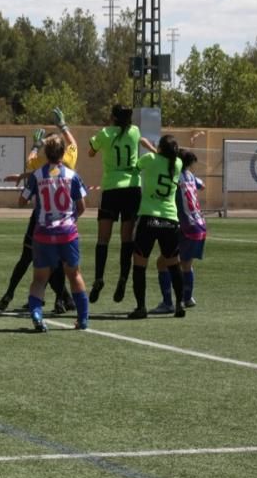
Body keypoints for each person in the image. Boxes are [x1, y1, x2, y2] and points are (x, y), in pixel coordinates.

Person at [0, 108, 76, 315]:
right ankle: (64, 299)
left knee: (31, 259)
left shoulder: (39, 164)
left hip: (41, 219)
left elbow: (32, 165)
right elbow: (74, 145)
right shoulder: (69, 162)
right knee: (60, 264)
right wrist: (63, 125)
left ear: (46, 149)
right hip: (65, 219)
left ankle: (14, 294)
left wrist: (34, 145)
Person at [18, 133, 89, 332]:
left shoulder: (37, 175)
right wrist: (70, 220)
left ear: (45, 152)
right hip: (67, 233)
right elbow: (82, 206)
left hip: (43, 233)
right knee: (74, 275)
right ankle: (83, 319)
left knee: (40, 279)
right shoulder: (72, 175)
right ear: (62, 152)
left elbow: (21, 201)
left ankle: (37, 316)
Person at [86, 104, 158, 305]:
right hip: (132, 188)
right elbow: (140, 139)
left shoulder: (105, 133)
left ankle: (99, 278)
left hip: (111, 188)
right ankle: (123, 278)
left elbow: (90, 152)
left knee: (103, 238)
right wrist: (153, 148)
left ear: (113, 117)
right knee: (127, 239)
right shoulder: (134, 132)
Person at [128, 134, 185, 320]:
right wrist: (155, 149)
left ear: (159, 148)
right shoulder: (177, 164)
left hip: (149, 218)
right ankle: (179, 303)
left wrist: (150, 148)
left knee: (139, 263)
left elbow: (136, 167)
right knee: (173, 264)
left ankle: (141, 307)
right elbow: (165, 158)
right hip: (170, 219)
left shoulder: (150, 159)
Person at [152, 150, 205, 313]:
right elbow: (202, 185)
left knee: (163, 263)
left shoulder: (174, 177)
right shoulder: (190, 176)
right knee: (186, 264)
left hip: (186, 226)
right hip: (200, 225)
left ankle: (168, 302)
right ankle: (187, 298)